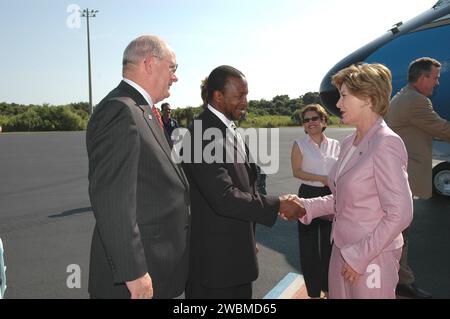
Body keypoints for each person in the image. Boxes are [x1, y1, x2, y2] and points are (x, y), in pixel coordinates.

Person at [182, 65, 303, 299]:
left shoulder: (228, 128)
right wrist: (277, 204)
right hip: (216, 268)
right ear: (218, 96)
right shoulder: (201, 133)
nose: (245, 102)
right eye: (239, 96)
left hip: (235, 257)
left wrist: (247, 238)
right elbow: (224, 197)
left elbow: (247, 183)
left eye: (246, 94)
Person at [294, 63, 413, 298]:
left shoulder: (386, 142)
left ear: (368, 98)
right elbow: (342, 199)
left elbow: (400, 212)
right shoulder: (349, 142)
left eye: (344, 96)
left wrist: (359, 256)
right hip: (341, 249)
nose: (338, 104)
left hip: (371, 258)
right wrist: (305, 205)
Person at [86, 35, 190, 299]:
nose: (175, 77)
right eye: (173, 68)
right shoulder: (120, 111)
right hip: (135, 282)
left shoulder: (142, 110)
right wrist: (133, 273)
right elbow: (112, 201)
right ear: (150, 63)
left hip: (158, 269)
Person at [385, 57, 450, 299]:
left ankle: (399, 280)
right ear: (422, 78)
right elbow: (442, 129)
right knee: (400, 233)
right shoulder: (416, 101)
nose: (437, 82)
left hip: (397, 174)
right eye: (435, 77)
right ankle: (401, 283)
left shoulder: (403, 96)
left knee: (399, 233)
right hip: (403, 176)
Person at [291, 103, 340, 298]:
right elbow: (297, 171)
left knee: (330, 246)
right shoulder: (299, 144)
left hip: (330, 196)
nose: (310, 122)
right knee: (308, 247)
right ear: (303, 125)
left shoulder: (337, 144)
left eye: (315, 118)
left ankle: (328, 289)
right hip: (308, 195)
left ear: (324, 121)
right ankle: (313, 292)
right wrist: (321, 178)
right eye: (306, 120)